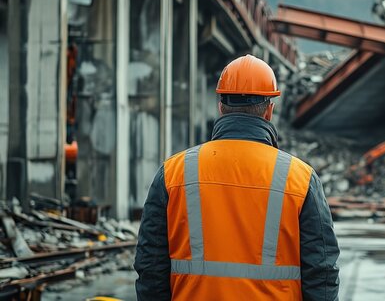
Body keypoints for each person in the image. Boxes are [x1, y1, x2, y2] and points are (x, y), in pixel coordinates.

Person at [134, 54, 340, 300]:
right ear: (269, 110)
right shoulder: (300, 178)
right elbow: (321, 273)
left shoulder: (173, 173)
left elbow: (150, 268)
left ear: (221, 105)